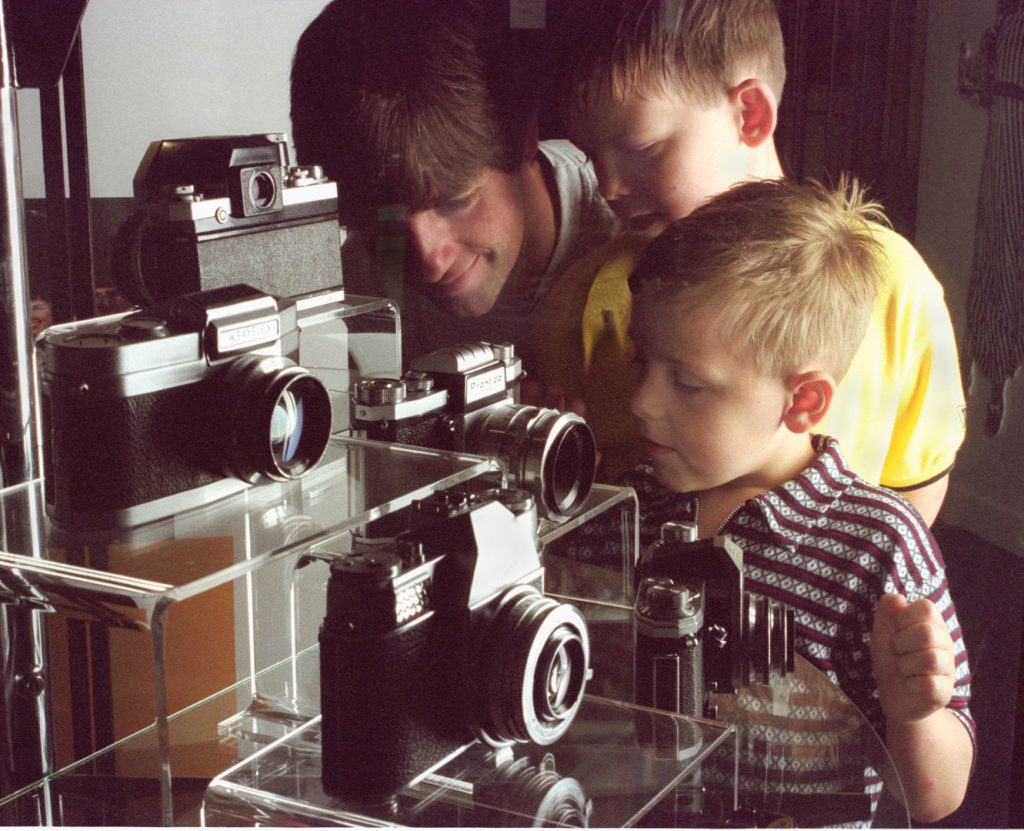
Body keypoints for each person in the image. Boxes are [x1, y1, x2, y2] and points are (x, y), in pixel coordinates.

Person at [619, 176, 974, 823]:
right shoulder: (620, 507)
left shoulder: (879, 542)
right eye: (638, 361)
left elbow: (936, 793)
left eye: (687, 383)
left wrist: (914, 709)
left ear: (803, 400)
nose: (642, 401)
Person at [534, 0, 965, 524]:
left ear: (751, 115)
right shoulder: (580, 295)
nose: (609, 188)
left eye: (642, 147)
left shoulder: (895, 283)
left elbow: (914, 492)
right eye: (592, 158)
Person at [289, 0, 620, 374]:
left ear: (524, 139)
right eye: (383, 223)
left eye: (456, 201)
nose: (430, 264)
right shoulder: (353, 289)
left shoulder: (628, 233)